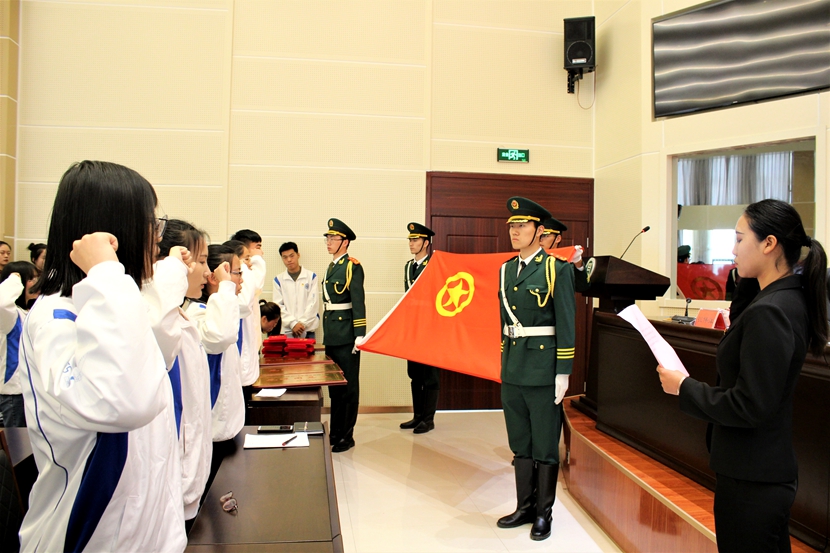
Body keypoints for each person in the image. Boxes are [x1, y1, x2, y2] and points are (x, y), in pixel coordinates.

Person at [18, 160, 186, 552]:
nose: (158, 240)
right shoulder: (56, 318)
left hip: (147, 533)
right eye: (151, 224)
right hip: (92, 535)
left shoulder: (119, 304)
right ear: (112, 232)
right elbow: (124, 403)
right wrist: (108, 274)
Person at [657, 199, 828, 553]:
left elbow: (750, 404)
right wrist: (746, 279)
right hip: (760, 470)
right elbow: (742, 320)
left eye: (738, 239)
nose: (732, 250)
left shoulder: (772, 311)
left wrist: (684, 388)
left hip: (753, 476)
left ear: (769, 244)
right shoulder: (783, 297)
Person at [496, 197, 576, 541]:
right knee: (520, 443)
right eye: (512, 226)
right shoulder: (505, 269)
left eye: (522, 225)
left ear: (539, 230)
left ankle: (544, 514)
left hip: (543, 370)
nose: (515, 231)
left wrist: (563, 371)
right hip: (513, 369)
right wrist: (504, 363)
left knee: (544, 445)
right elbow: (504, 323)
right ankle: (524, 507)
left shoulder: (556, 269)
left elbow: (567, 323)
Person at [156, 219, 215, 523]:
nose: (208, 272)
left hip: (190, 478)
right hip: (174, 482)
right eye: (200, 261)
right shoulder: (161, 326)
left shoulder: (181, 318)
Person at [322, 218, 366, 453]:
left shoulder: (352, 266)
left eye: (334, 238)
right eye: (328, 238)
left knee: (348, 388)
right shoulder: (332, 267)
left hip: (347, 336)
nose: (329, 242)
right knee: (335, 389)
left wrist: (360, 335)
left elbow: (358, 302)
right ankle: (336, 431)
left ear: (345, 242)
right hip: (332, 335)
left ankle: (347, 436)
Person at [399, 222, 441, 434]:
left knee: (430, 376)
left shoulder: (434, 265)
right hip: (413, 329)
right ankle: (417, 416)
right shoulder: (409, 267)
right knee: (414, 374)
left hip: (430, 329)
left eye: (415, 240)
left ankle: (428, 418)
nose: (411, 243)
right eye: (410, 240)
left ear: (426, 243)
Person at [225, 237, 266, 398]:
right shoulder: (238, 288)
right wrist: (243, 267)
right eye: (247, 259)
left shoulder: (245, 284)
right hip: (239, 363)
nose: (250, 264)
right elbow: (243, 305)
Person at [0, 261, 38, 427]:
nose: (36, 282)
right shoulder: (10, 315)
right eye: (31, 278)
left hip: (29, 388)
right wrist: (14, 279)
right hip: (14, 391)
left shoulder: (28, 312)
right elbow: (2, 302)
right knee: (18, 442)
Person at [273, 242, 319, 338]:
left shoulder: (311, 277)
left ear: (298, 255)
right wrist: (293, 323)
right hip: (287, 331)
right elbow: (278, 306)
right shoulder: (278, 280)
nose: (289, 260)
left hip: (308, 330)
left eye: (291, 256)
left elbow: (313, 304)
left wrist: (302, 324)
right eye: (285, 257)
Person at [540, 216, 589, 293]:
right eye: (538, 235)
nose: (540, 240)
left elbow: (582, 287)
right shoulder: (529, 258)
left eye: (545, 236)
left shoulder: (565, 262)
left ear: (558, 239)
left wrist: (578, 263)